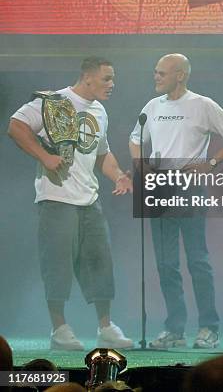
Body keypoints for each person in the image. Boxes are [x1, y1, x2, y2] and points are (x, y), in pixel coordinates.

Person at [8, 57, 134, 351]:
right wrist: (44, 156)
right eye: (107, 78)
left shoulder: (99, 111)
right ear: (87, 78)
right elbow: (16, 126)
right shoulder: (55, 101)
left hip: (89, 200)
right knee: (57, 265)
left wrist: (118, 176)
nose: (112, 84)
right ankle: (59, 330)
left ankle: (105, 327)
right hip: (57, 198)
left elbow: (102, 152)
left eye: (112, 79)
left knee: (101, 262)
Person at [129, 53, 223, 349]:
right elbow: (134, 138)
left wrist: (211, 162)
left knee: (197, 260)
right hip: (159, 187)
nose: (155, 77)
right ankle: (175, 329)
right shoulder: (151, 107)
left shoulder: (202, 104)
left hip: (189, 187)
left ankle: (209, 328)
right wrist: (139, 163)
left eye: (161, 73)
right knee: (166, 264)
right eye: (155, 72)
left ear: (180, 75)